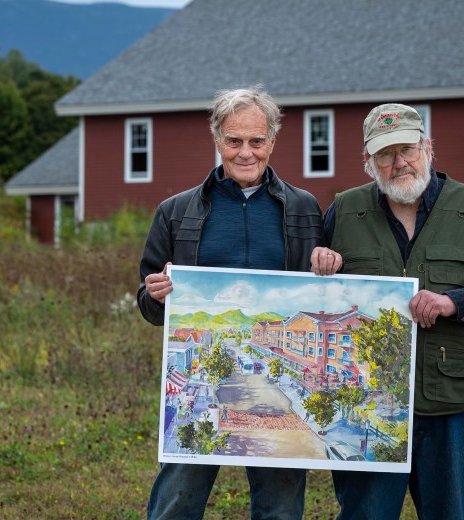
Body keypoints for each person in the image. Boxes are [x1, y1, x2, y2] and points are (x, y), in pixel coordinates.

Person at [310, 103, 464, 520]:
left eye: (407, 149)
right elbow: (314, 293)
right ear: (368, 162)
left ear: (428, 148)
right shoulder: (344, 211)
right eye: (385, 154)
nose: (399, 163)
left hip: (455, 405)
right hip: (370, 403)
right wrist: (317, 262)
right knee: (365, 515)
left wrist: (453, 302)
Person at [138, 85, 327, 520]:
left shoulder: (304, 209)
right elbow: (148, 305)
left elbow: (320, 285)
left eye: (257, 141)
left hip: (269, 403)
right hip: (196, 382)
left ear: (272, 142)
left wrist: (328, 261)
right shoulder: (176, 211)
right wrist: (154, 295)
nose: (246, 152)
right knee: (178, 499)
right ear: (217, 139)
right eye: (234, 140)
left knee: (279, 506)